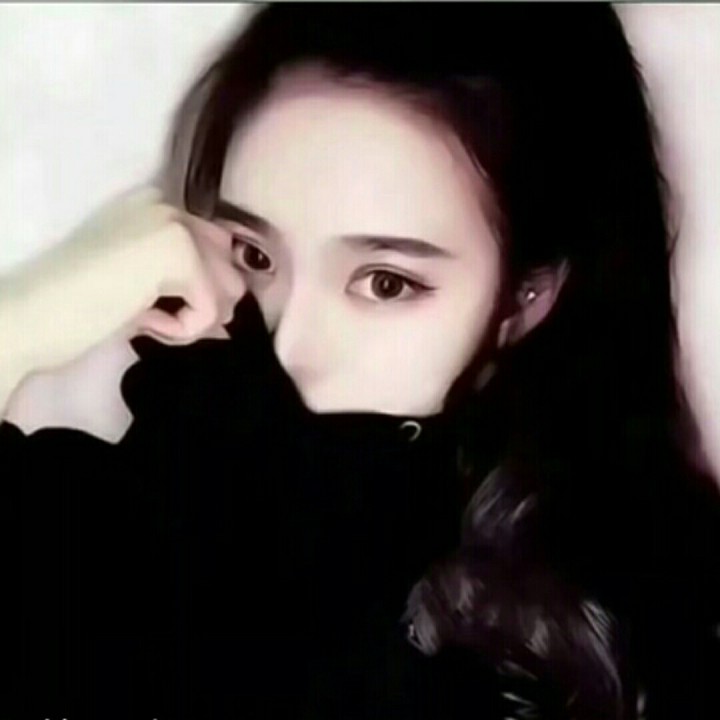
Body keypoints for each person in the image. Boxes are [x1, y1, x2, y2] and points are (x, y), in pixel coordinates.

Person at [3, 4, 718, 719]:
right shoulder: (119, 509)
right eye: (255, 255)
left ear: (522, 300)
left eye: (385, 283)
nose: (290, 346)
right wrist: (22, 318)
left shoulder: (611, 640)